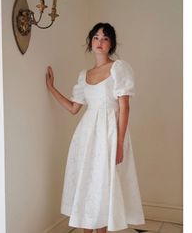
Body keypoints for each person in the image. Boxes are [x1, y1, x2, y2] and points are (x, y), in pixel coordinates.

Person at [45, 22, 145, 233]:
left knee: (102, 184)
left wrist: (119, 143)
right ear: (91, 41)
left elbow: (125, 108)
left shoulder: (119, 68)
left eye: (105, 38)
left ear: (111, 44)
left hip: (109, 134)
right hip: (86, 135)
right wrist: (52, 88)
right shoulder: (84, 75)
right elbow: (74, 108)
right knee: (87, 183)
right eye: (96, 37)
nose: (100, 42)